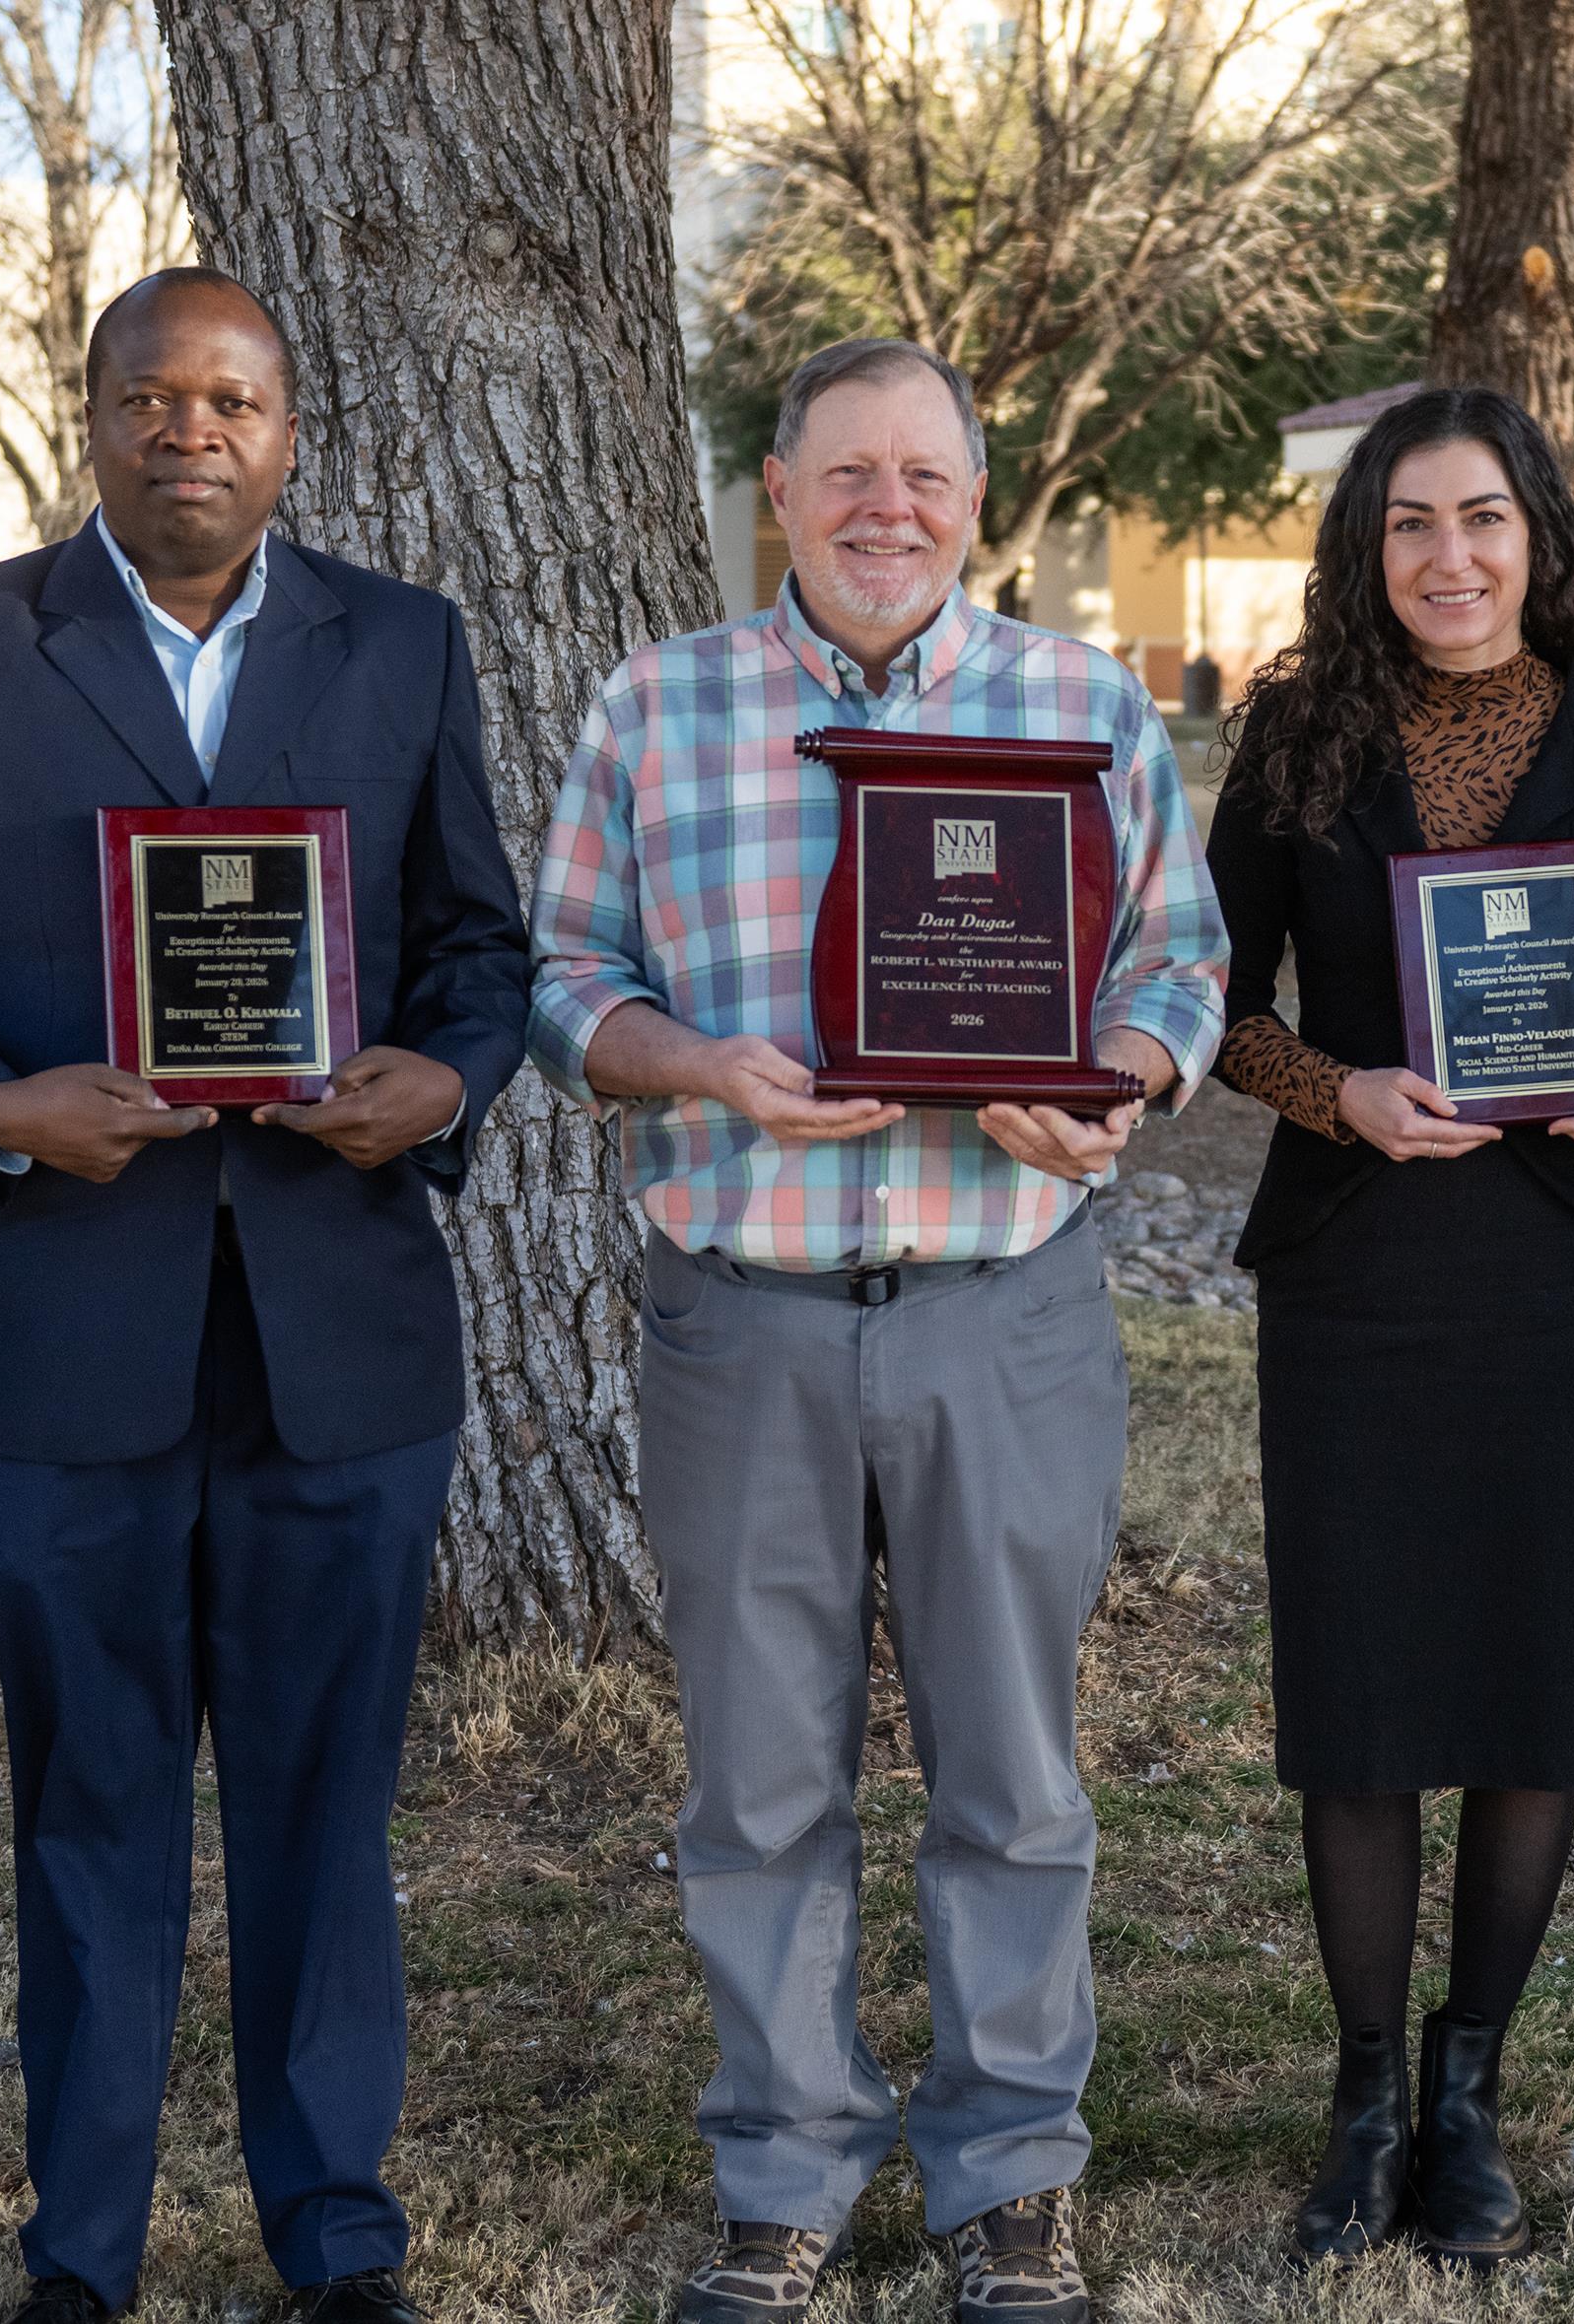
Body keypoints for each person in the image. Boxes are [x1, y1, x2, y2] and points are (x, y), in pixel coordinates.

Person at [0, 268, 530, 2324]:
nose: (186, 432)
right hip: (58, 1339)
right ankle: (81, 2252)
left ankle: (334, 2233)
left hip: (340, 1338)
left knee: (323, 1803)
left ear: (290, 431)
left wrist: (442, 1079)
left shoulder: (399, 643)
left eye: (229, 400)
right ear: (95, 417)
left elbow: (476, 951)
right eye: (147, 397)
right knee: (88, 1804)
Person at [528, 337, 1224, 2324]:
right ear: (777, 487)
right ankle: (785, 2162)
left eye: (923, 475)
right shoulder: (658, 710)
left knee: (1011, 1769)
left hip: (997, 1308)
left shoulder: (1080, 708)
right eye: (846, 474)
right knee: (756, 1780)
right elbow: (564, 975)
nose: (884, 510)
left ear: (974, 501)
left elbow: (1177, 959)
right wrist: (702, 1067)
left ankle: (1008, 2170)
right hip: (737, 1314)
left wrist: (1110, 1076)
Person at [1201, 385, 1574, 2267]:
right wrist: (1338, 1092)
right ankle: (1361, 2095)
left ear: (1541, 537)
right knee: (1362, 1694)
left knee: (1533, 1679)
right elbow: (1212, 996)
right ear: (1367, 550)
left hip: (1558, 1258)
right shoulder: (1292, 744)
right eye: (1410, 523)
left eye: (1483, 518)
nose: (1450, 558)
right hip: (1356, 1262)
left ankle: (1469, 2085)